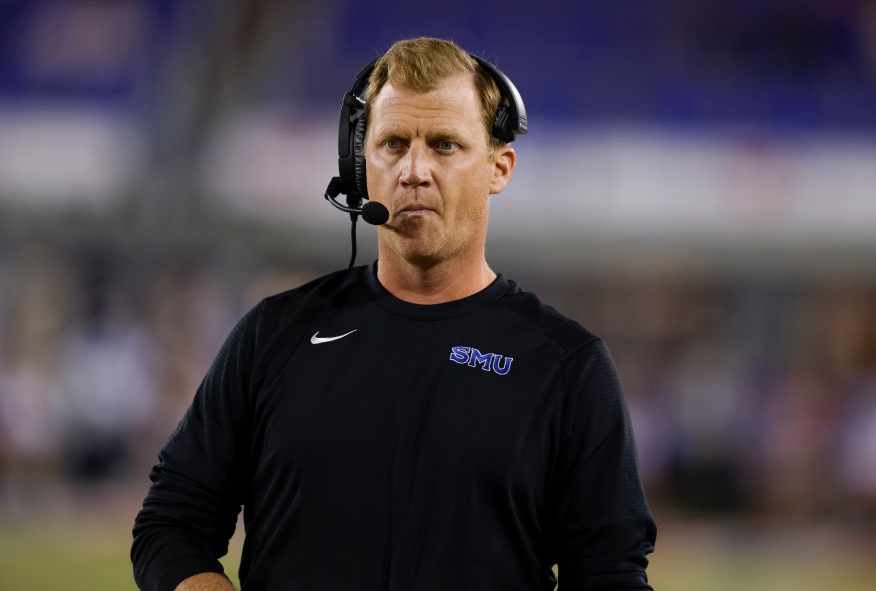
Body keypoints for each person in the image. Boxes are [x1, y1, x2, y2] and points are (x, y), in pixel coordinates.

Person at [132, 37, 656, 591]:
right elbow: (171, 523)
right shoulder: (275, 334)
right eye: (393, 143)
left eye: (445, 145)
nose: (413, 170)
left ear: (498, 169)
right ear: (360, 165)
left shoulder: (565, 366)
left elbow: (609, 574)